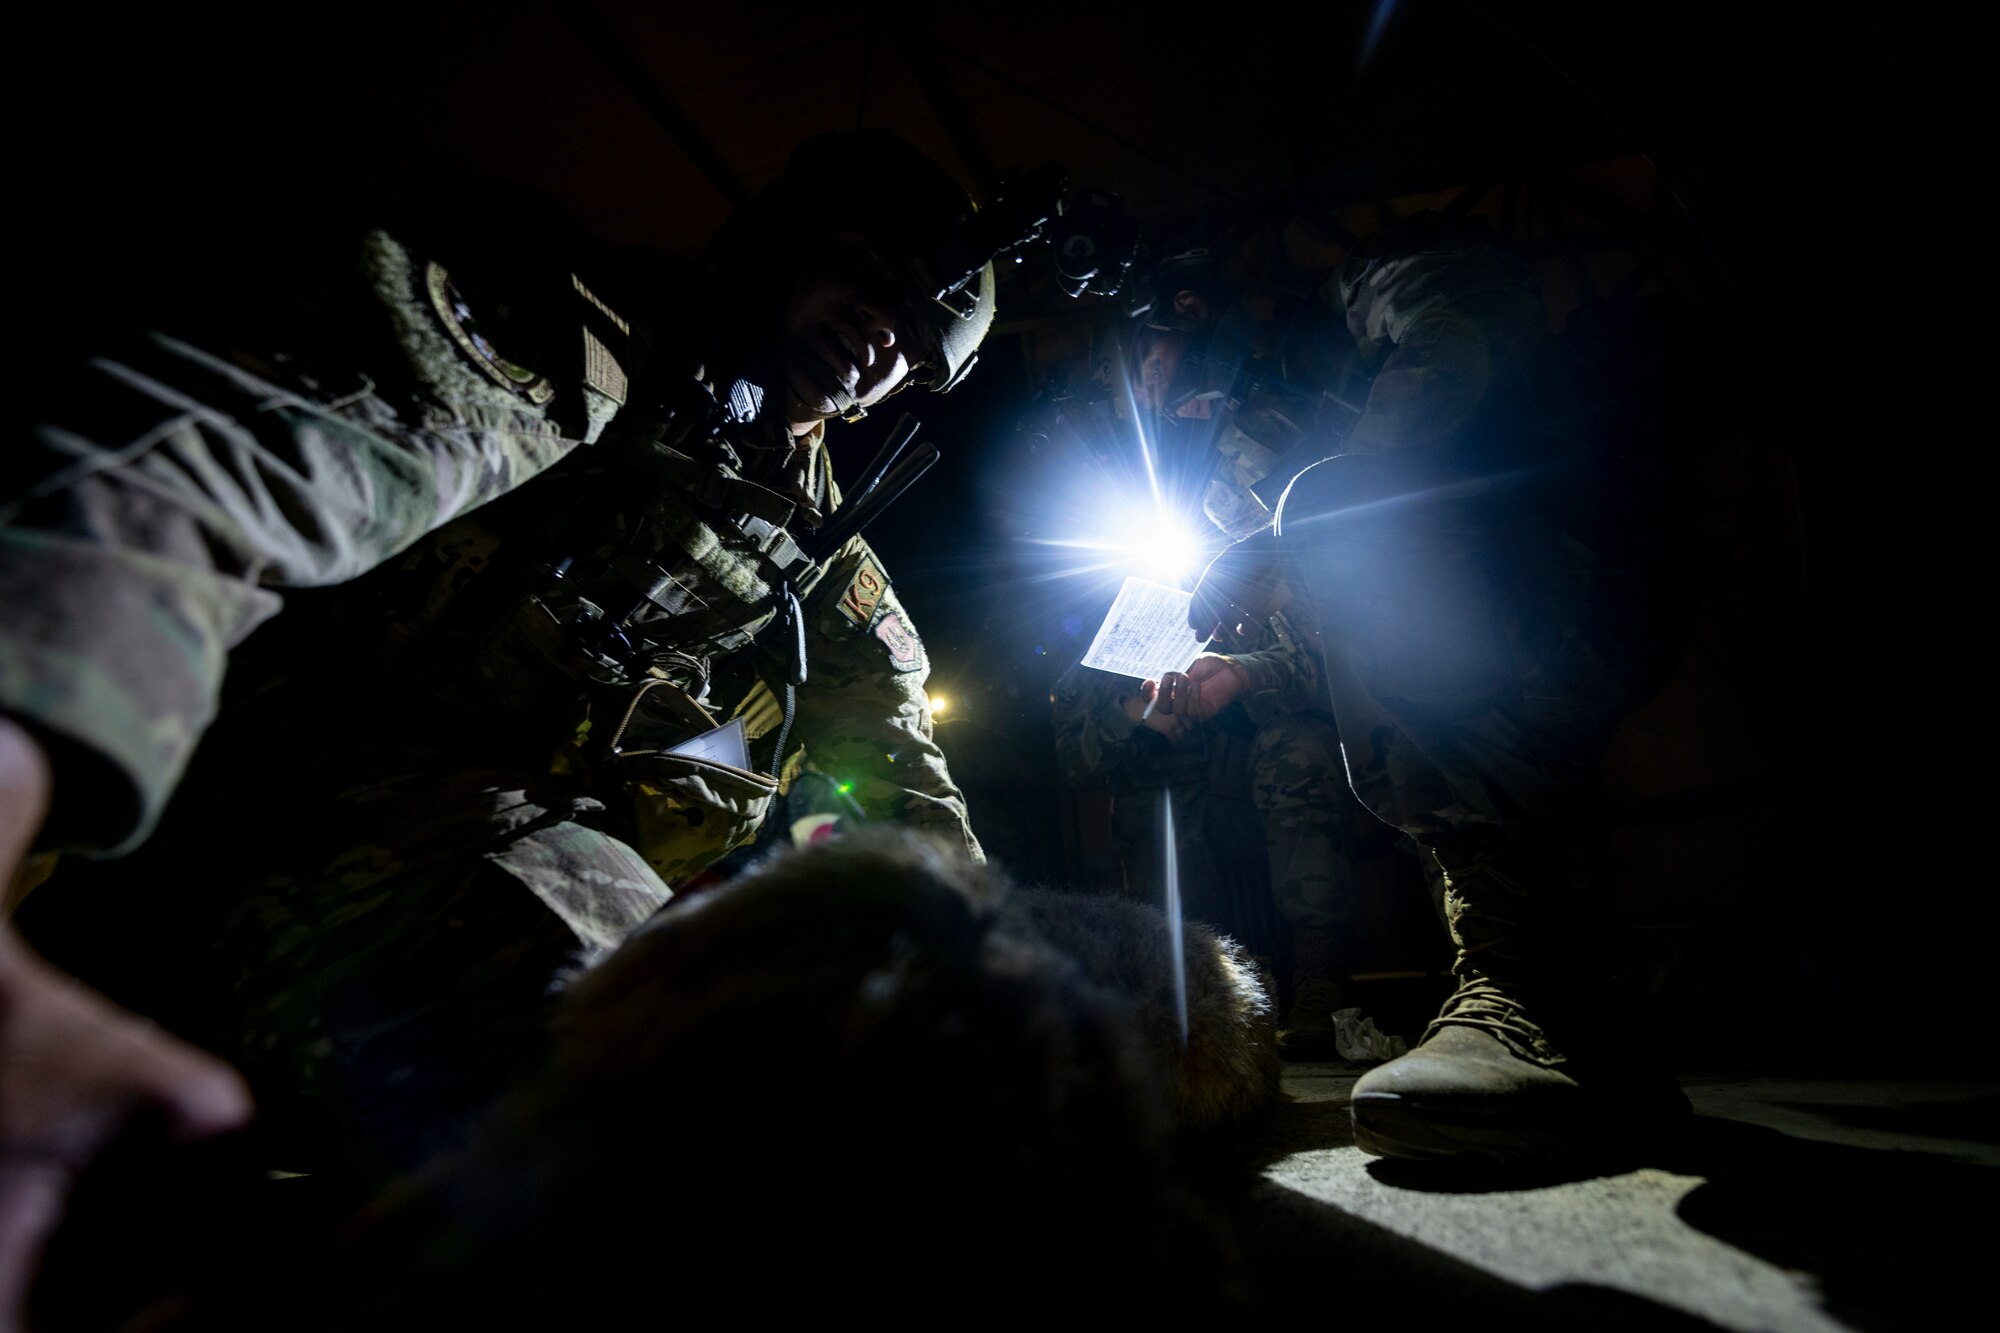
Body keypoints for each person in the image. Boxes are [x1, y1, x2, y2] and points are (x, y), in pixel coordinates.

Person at [1, 124, 1005, 1302]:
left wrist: (992, 988)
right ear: (785, 242)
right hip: (271, 814)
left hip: (480, 855)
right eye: (873, 276)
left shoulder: (817, 544)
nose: (881, 336)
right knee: (668, 1106)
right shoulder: (583, 340)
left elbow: (901, 770)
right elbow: (220, 469)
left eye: (917, 340)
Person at [1150, 211, 1696, 1163]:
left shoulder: (1371, 291)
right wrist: (1246, 669)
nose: (1175, 398)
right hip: (1499, 630)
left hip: (1581, 581)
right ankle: (1576, 1010)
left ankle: (1533, 986)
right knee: (1335, 530)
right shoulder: (1243, 482)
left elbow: (1463, 333)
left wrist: (1294, 529)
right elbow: (1357, 659)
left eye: (1177, 367)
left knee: (1339, 512)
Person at [1120, 250, 1384, 1059]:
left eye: (1151, 350)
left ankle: (1323, 992)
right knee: (1185, 785)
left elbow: (1344, 632)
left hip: (1368, 695)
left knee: (1292, 754)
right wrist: (1157, 692)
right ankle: (1220, 992)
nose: (1140, 373)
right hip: (1265, 699)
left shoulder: (1268, 448)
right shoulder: (1192, 466)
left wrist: (1246, 673)